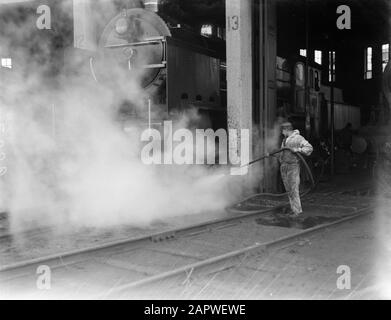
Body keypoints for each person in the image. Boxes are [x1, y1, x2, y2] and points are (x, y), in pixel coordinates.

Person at [278, 122, 313, 218]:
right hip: (284, 166)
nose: (282, 133)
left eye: (282, 130)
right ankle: (293, 209)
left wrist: (298, 149)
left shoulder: (298, 138)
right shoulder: (285, 140)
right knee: (289, 190)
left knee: (293, 189)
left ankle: (297, 211)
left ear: (286, 130)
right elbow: (282, 152)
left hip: (293, 167)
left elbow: (309, 148)